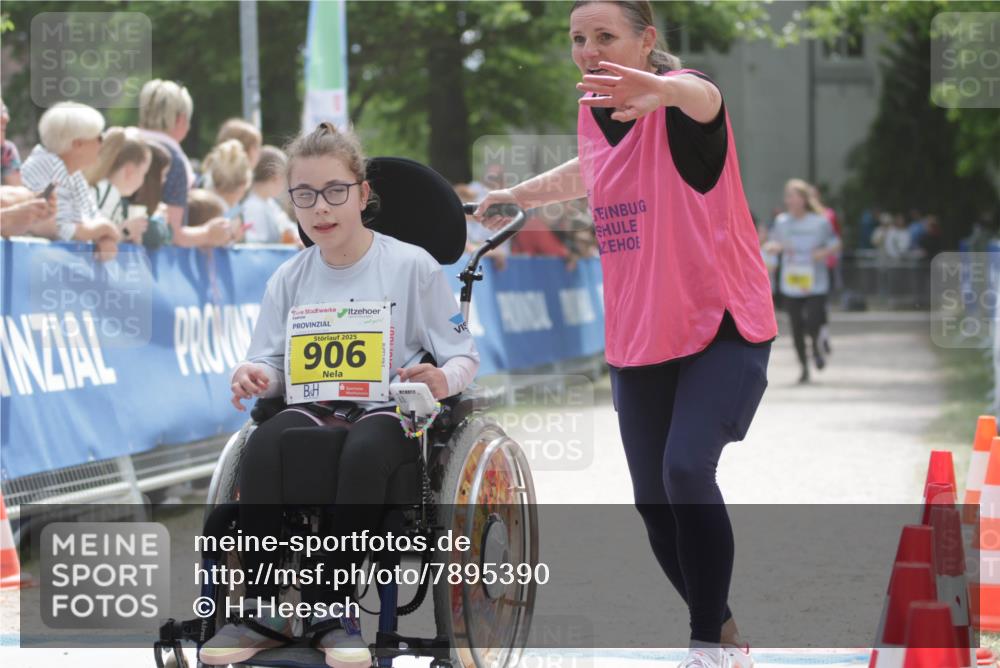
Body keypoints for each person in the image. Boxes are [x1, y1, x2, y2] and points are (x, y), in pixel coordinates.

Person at [475, 2, 776, 666]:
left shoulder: (680, 101)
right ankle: (723, 629)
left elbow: (706, 98)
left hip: (721, 323)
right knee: (651, 502)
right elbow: (593, 170)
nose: (587, 48)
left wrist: (664, 88)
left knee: (684, 470)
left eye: (605, 36)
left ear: (647, 42)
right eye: (577, 38)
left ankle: (704, 645)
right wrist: (519, 196)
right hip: (642, 332)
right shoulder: (593, 112)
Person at [199, 122, 479, 668]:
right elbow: (270, 361)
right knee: (265, 444)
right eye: (304, 195)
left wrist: (443, 380)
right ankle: (263, 610)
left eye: (334, 192)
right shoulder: (289, 276)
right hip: (311, 404)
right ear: (292, 201)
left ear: (362, 194)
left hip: (389, 407)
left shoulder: (412, 267)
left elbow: (462, 355)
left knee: (367, 449)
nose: (320, 208)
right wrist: (254, 374)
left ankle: (332, 610)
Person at [20, 101, 122, 259]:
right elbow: (63, 227)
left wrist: (103, 236)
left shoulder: (73, 173)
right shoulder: (48, 164)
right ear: (78, 144)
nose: (102, 144)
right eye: (99, 138)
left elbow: (92, 217)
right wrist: (103, 230)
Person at [137, 79, 231, 247]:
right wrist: (209, 233)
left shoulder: (123, 145)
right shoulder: (174, 160)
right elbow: (174, 235)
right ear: (180, 120)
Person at [764, 179, 840, 384]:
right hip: (792, 282)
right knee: (796, 326)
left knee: (813, 321)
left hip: (816, 281)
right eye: (787, 196)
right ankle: (804, 368)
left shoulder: (820, 221)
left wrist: (823, 252)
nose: (788, 200)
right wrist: (773, 249)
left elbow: (835, 243)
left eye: (793, 196)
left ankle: (816, 345)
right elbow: (773, 242)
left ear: (804, 199)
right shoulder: (781, 222)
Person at [84, 127, 152, 244]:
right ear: (129, 171)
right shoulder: (108, 192)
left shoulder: (104, 189)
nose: (143, 181)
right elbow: (96, 238)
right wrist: (126, 231)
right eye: (143, 174)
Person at [241, 145, 299, 244]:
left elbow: (289, 228)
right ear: (275, 176)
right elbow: (255, 245)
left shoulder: (269, 203)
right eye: (285, 177)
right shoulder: (253, 206)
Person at [1, 99, 23, 186]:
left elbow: (17, 190)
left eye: (4, 110)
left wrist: (32, 196)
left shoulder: (7, 150)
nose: (5, 117)